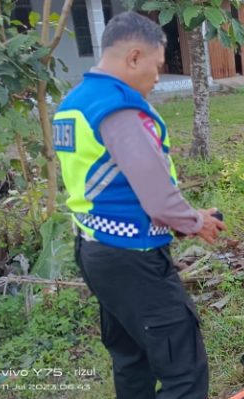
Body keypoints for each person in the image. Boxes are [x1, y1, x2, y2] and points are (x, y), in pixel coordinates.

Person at [52, 12, 225, 399]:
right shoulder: (117, 108)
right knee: (184, 369)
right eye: (155, 66)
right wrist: (195, 221)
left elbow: (115, 185)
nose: (157, 77)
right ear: (133, 57)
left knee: (132, 358)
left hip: (96, 249)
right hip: (134, 259)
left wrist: (186, 220)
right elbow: (156, 194)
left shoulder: (74, 102)